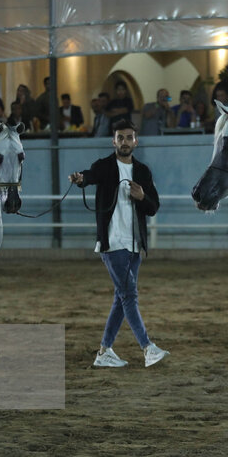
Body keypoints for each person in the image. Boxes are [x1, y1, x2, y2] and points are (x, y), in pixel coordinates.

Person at [68, 119, 169, 368]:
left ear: (136, 141)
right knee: (129, 296)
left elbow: (154, 207)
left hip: (135, 245)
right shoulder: (104, 166)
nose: (124, 142)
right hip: (113, 243)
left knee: (122, 298)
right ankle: (147, 348)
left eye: (129, 137)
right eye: (120, 138)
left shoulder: (143, 172)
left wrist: (142, 196)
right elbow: (89, 177)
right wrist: (81, 179)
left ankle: (104, 351)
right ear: (114, 141)